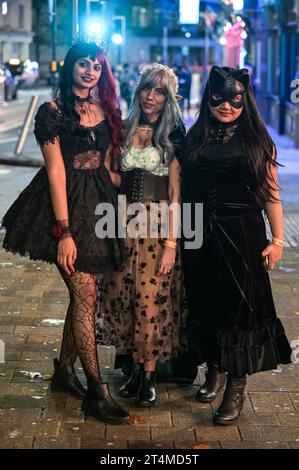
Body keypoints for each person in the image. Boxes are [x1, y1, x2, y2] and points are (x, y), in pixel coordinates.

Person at [1, 40, 130, 425]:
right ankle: (96, 390)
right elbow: (57, 172)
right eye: (83, 64)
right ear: (70, 67)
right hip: (63, 210)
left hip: (100, 209)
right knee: (85, 294)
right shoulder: (51, 112)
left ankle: (63, 372)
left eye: (96, 65)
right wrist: (65, 232)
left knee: (84, 295)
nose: (90, 70)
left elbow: (108, 168)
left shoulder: (107, 110)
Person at [182, 66, 292, 425]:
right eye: (219, 98)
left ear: (245, 100)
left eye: (235, 99)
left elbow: (271, 196)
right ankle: (214, 370)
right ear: (208, 98)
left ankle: (236, 387)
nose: (227, 105)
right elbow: (179, 189)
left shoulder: (258, 141)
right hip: (198, 233)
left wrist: (277, 240)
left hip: (241, 234)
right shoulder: (195, 135)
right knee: (205, 302)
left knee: (239, 309)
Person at [97, 63, 187, 407]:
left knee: (151, 301)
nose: (151, 96)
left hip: (157, 226)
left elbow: (177, 196)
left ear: (169, 98)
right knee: (127, 298)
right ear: (138, 91)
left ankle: (149, 373)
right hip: (122, 223)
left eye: (159, 91)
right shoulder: (124, 129)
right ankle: (134, 368)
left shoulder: (174, 136)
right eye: (147, 89)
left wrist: (170, 245)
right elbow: (117, 179)